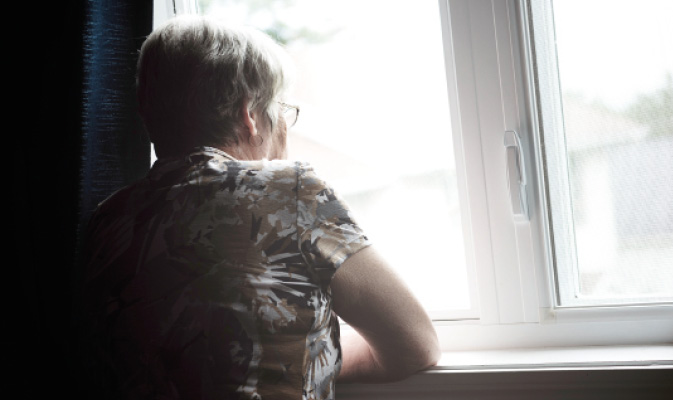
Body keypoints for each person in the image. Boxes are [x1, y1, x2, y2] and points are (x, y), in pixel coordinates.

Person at [79, 15, 440, 400]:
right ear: (250, 114)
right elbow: (415, 344)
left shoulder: (106, 221)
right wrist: (317, 359)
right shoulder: (291, 191)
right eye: (281, 108)